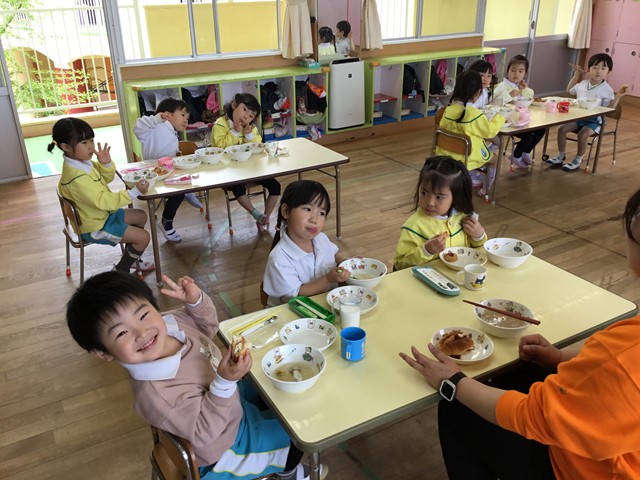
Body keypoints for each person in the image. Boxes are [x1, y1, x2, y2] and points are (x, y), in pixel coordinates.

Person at [399, 187, 640, 479]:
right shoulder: (623, 349)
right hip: (606, 440)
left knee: (455, 406)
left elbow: (532, 417)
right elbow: (602, 365)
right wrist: (559, 357)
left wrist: (454, 382)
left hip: (575, 469)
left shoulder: (624, 356)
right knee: (510, 373)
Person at [66, 271, 327, 480]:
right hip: (224, 447)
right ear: (102, 352)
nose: (142, 332)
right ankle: (288, 472)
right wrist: (225, 382)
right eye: (122, 333)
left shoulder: (169, 325)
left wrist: (196, 301)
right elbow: (204, 433)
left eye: (143, 314)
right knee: (297, 434)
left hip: (226, 400)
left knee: (276, 390)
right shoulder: (158, 394)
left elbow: (207, 327)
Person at [53, 117, 155, 273]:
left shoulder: (83, 163)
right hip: (94, 227)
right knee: (144, 237)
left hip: (100, 216)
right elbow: (104, 201)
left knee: (140, 216)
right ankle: (120, 271)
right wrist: (134, 192)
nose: (91, 146)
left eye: (91, 140)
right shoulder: (76, 178)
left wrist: (106, 164)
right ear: (65, 147)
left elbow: (105, 179)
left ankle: (131, 257)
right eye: (84, 142)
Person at [263, 180, 350, 306]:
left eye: (321, 213)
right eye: (307, 209)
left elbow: (334, 254)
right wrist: (328, 279)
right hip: (294, 311)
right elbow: (296, 295)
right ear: (286, 211)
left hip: (326, 305)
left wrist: (348, 263)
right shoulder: (279, 259)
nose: (314, 219)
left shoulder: (321, 238)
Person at [393, 156, 487, 270]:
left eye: (439, 197)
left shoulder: (463, 217)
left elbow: (476, 252)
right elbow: (399, 265)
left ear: (456, 197)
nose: (430, 202)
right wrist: (426, 250)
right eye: (424, 193)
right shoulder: (413, 226)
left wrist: (479, 236)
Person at [133, 97, 203, 243]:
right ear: (167, 114)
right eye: (182, 115)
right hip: (154, 174)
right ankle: (167, 223)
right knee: (178, 191)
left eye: (187, 117)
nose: (186, 120)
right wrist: (157, 118)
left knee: (185, 175)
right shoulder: (155, 127)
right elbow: (138, 126)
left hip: (168, 171)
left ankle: (188, 191)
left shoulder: (172, 131)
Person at [545, 52, 627, 172]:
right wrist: (576, 75)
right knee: (561, 129)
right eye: (595, 67)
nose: (598, 71)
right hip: (579, 117)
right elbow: (569, 90)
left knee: (582, 134)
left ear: (608, 72)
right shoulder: (583, 84)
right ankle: (560, 156)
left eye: (603, 68)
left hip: (596, 121)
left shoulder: (607, 89)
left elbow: (610, 110)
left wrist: (618, 96)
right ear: (588, 70)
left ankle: (578, 160)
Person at [212, 93, 281, 233]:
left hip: (251, 170)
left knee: (275, 186)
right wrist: (234, 132)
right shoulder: (220, 124)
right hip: (229, 171)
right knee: (238, 188)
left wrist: (249, 135)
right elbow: (220, 148)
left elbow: (258, 147)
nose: (246, 117)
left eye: (251, 115)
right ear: (234, 105)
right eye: (244, 110)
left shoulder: (250, 127)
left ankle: (266, 217)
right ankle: (256, 214)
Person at [436, 71, 505, 197]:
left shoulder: (448, 110)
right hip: (467, 156)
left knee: (491, 144)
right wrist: (501, 117)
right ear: (478, 92)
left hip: (445, 153)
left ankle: (474, 177)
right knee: (495, 159)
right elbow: (490, 131)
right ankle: (485, 190)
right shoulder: (474, 114)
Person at [493, 55, 545, 169]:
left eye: (520, 71)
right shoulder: (501, 86)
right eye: (513, 70)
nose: (516, 74)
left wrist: (523, 89)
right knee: (528, 136)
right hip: (507, 122)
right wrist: (509, 95)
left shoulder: (518, 86)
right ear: (507, 71)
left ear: (525, 74)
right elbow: (496, 102)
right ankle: (516, 156)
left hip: (520, 119)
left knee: (541, 130)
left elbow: (529, 98)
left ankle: (525, 152)